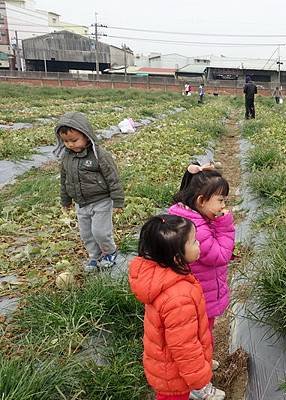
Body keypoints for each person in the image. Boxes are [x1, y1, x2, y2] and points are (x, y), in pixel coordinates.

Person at [128, 214, 225, 400]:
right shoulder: (178, 297)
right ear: (177, 255)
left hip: (167, 365)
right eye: (194, 241)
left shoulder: (165, 276)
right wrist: (199, 380)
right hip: (175, 375)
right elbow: (184, 346)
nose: (199, 244)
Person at [168, 163, 235, 371]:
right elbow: (220, 255)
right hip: (200, 297)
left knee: (200, 333)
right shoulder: (196, 227)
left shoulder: (191, 217)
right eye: (221, 201)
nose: (224, 206)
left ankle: (203, 360)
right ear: (201, 201)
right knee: (198, 336)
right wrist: (225, 225)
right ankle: (199, 376)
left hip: (199, 293)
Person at [54, 112, 124, 273]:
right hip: (81, 203)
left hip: (101, 200)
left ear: (86, 136)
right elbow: (65, 180)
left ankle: (110, 252)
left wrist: (118, 201)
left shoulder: (99, 155)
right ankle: (95, 255)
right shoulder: (66, 158)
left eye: (74, 140)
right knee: (86, 234)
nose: (70, 144)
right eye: (65, 141)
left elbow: (113, 178)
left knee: (100, 231)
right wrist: (65, 201)